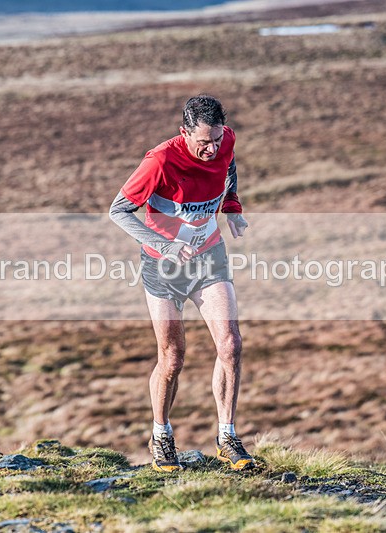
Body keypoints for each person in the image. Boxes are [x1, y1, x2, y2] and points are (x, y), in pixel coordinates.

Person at [109, 95, 254, 472]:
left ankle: (227, 436)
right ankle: (161, 435)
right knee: (172, 358)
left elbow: (229, 168)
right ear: (184, 132)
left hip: (209, 257)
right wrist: (165, 245)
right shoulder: (160, 159)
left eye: (217, 140)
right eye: (203, 142)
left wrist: (232, 206)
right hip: (164, 267)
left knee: (231, 345)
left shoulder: (226, 142)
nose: (212, 149)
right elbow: (118, 211)